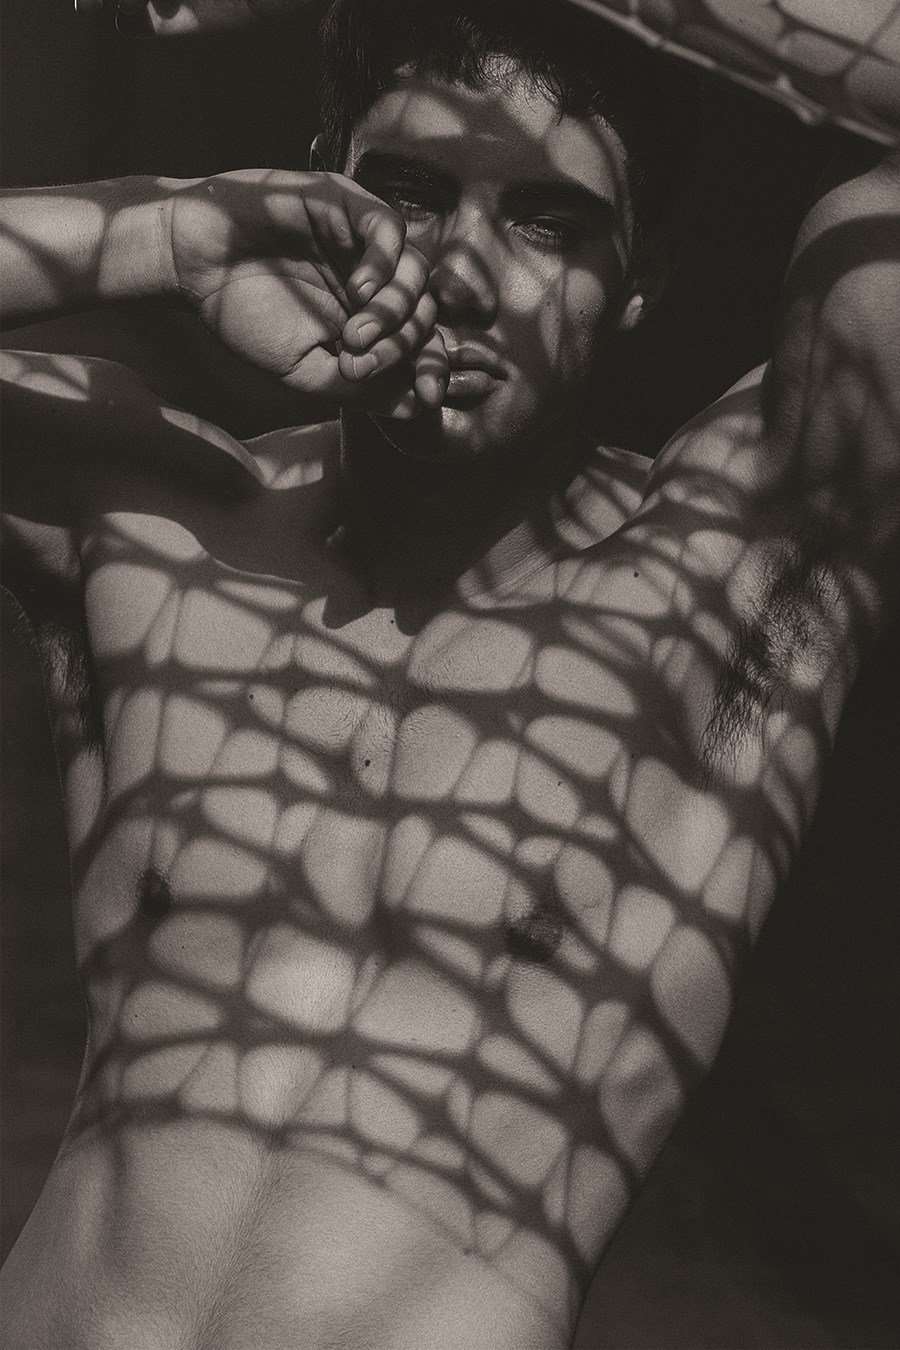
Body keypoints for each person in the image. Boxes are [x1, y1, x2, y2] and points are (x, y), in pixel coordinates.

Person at [1, 1, 898, 1346]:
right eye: (409, 195)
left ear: (643, 273)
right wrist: (168, 234)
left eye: (547, 222)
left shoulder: (732, 579)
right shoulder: (153, 521)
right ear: (319, 186)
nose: (462, 274)